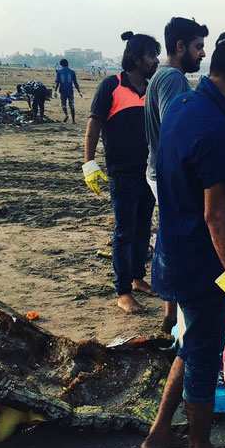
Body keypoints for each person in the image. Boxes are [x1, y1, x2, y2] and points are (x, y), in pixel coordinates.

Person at [141, 32, 225, 448]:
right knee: (202, 353)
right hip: (199, 260)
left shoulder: (181, 106)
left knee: (189, 342)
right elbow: (217, 219)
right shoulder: (215, 130)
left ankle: (159, 431)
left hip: (170, 245)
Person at [83, 31, 160, 314]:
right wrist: (89, 163)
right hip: (122, 173)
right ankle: (123, 291)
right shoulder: (111, 86)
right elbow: (94, 127)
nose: (156, 60)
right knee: (124, 231)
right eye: (151, 55)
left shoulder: (152, 89)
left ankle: (138, 277)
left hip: (148, 172)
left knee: (143, 228)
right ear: (137, 57)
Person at [144, 16, 208, 335]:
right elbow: (176, 126)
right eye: (198, 47)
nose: (202, 54)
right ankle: (181, 321)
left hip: (158, 170)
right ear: (180, 46)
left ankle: (170, 313)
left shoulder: (163, 75)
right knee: (181, 242)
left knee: (170, 235)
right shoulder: (172, 78)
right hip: (168, 174)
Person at [54, 59, 82, 123]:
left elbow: (57, 83)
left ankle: (66, 115)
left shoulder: (59, 72)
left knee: (63, 105)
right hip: (70, 91)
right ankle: (73, 120)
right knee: (71, 105)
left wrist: (55, 91)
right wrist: (79, 91)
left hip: (62, 91)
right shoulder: (72, 72)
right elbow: (75, 83)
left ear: (61, 65)